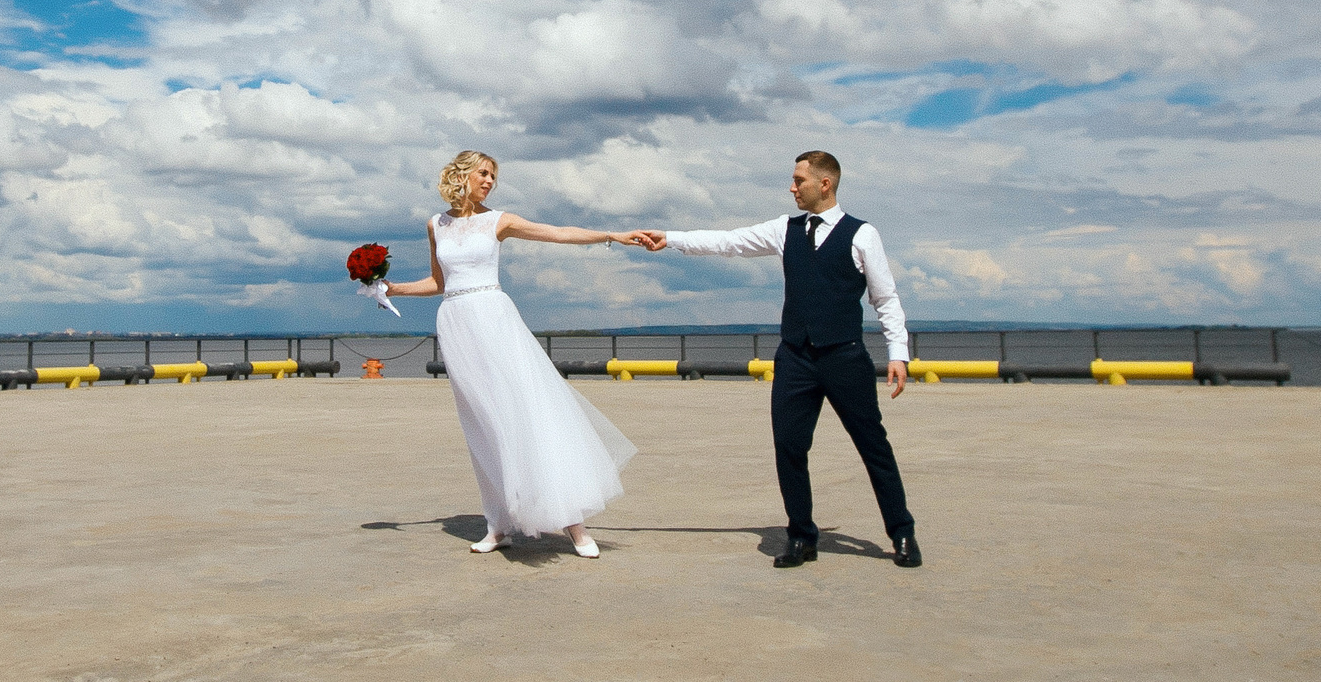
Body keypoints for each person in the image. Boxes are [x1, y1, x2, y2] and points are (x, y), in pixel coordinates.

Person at [628, 151, 919, 569]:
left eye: (799, 179)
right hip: (796, 358)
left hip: (844, 357)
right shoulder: (785, 229)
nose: (791, 187)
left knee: (873, 446)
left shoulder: (862, 235)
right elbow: (728, 241)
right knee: (789, 447)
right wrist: (670, 238)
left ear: (825, 184)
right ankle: (801, 536)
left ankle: (902, 532)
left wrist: (898, 354)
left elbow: (885, 299)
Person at [372, 150, 642, 558]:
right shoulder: (435, 224)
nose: (489, 181)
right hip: (457, 324)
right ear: (460, 175)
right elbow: (441, 282)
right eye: (483, 173)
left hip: (494, 318)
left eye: (493, 176)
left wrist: (612, 236)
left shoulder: (499, 220)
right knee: (483, 424)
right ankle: (498, 524)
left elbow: (559, 233)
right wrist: (392, 289)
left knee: (528, 412)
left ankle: (574, 524)